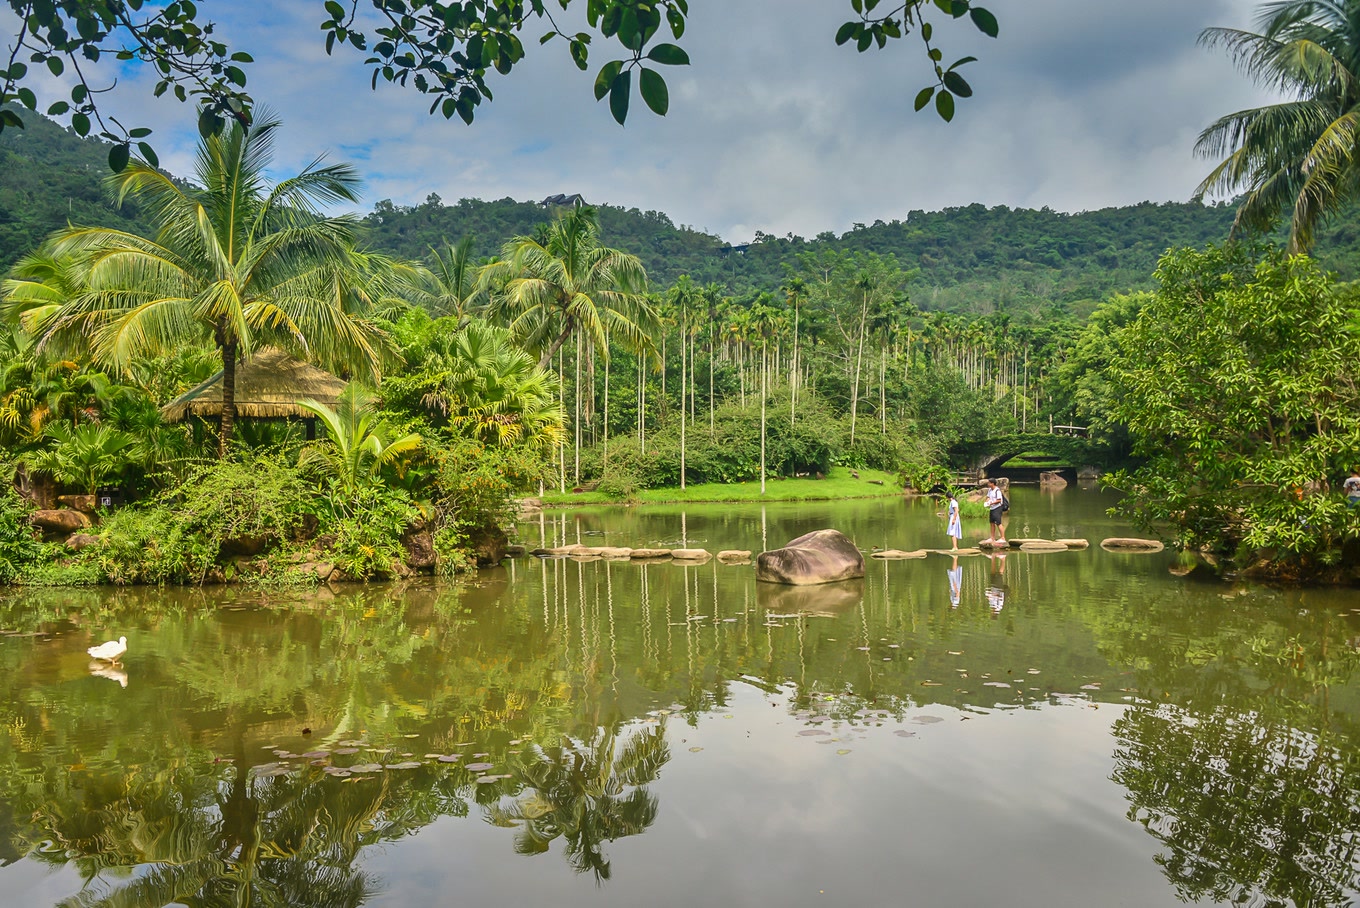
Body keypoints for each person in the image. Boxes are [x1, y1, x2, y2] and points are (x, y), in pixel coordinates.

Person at [984, 479, 1007, 545]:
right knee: (991, 522)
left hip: (997, 508)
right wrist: (987, 501)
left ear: (992, 483)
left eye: (989, 483)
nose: (988, 484)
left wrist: (992, 503)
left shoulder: (997, 490)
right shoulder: (990, 490)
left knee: (998, 523)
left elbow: (999, 500)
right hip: (992, 508)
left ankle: (1003, 538)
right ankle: (992, 537)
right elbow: (988, 497)